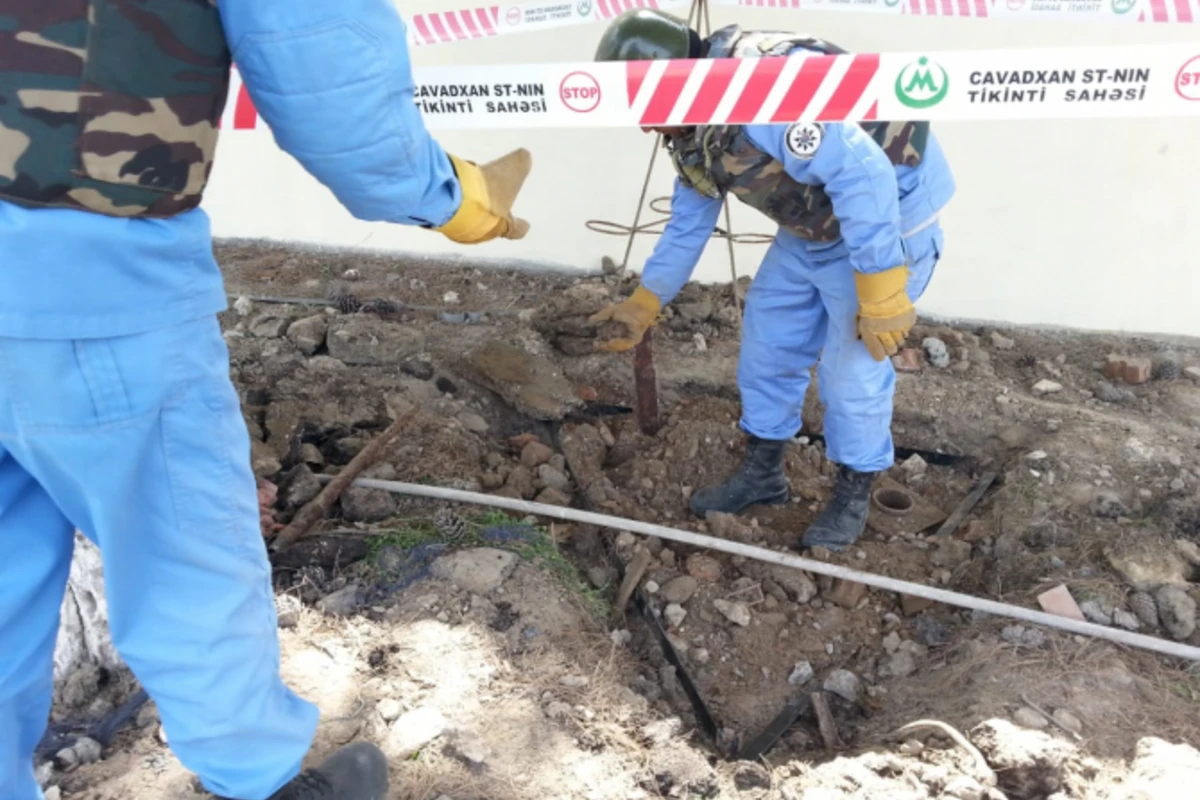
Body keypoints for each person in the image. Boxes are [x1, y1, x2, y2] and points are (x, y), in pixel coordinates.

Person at [0, 2, 531, 799]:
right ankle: (259, 781)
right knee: (185, 556)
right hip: (92, 285)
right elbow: (326, 75)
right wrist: (452, 196)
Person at [589, 9, 955, 552]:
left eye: (644, 110)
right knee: (767, 346)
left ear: (673, 83)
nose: (644, 126)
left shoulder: (765, 91)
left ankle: (853, 492)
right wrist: (647, 299)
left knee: (851, 373)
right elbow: (690, 217)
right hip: (810, 229)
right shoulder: (696, 118)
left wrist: (881, 283)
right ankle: (763, 475)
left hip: (885, 226)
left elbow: (865, 174)